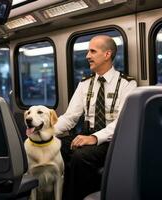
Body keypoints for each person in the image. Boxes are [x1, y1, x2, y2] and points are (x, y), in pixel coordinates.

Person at [54, 35, 137, 200]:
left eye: (92, 51)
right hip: (86, 135)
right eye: (87, 51)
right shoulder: (85, 84)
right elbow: (70, 117)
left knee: (80, 157)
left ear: (107, 54)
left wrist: (94, 137)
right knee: (54, 146)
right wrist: (47, 134)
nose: (87, 56)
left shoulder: (127, 84)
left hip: (112, 141)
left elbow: (122, 123)